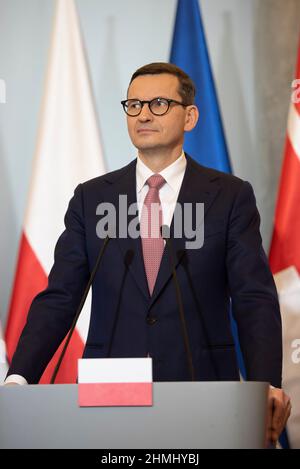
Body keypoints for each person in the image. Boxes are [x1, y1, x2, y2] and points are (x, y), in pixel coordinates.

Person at [6, 62, 290, 445]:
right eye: (134, 104)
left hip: (203, 387)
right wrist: (19, 377)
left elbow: (253, 298)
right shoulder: (93, 199)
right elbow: (60, 297)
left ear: (189, 117)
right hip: (111, 393)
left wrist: (266, 385)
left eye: (158, 103)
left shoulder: (229, 196)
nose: (143, 114)